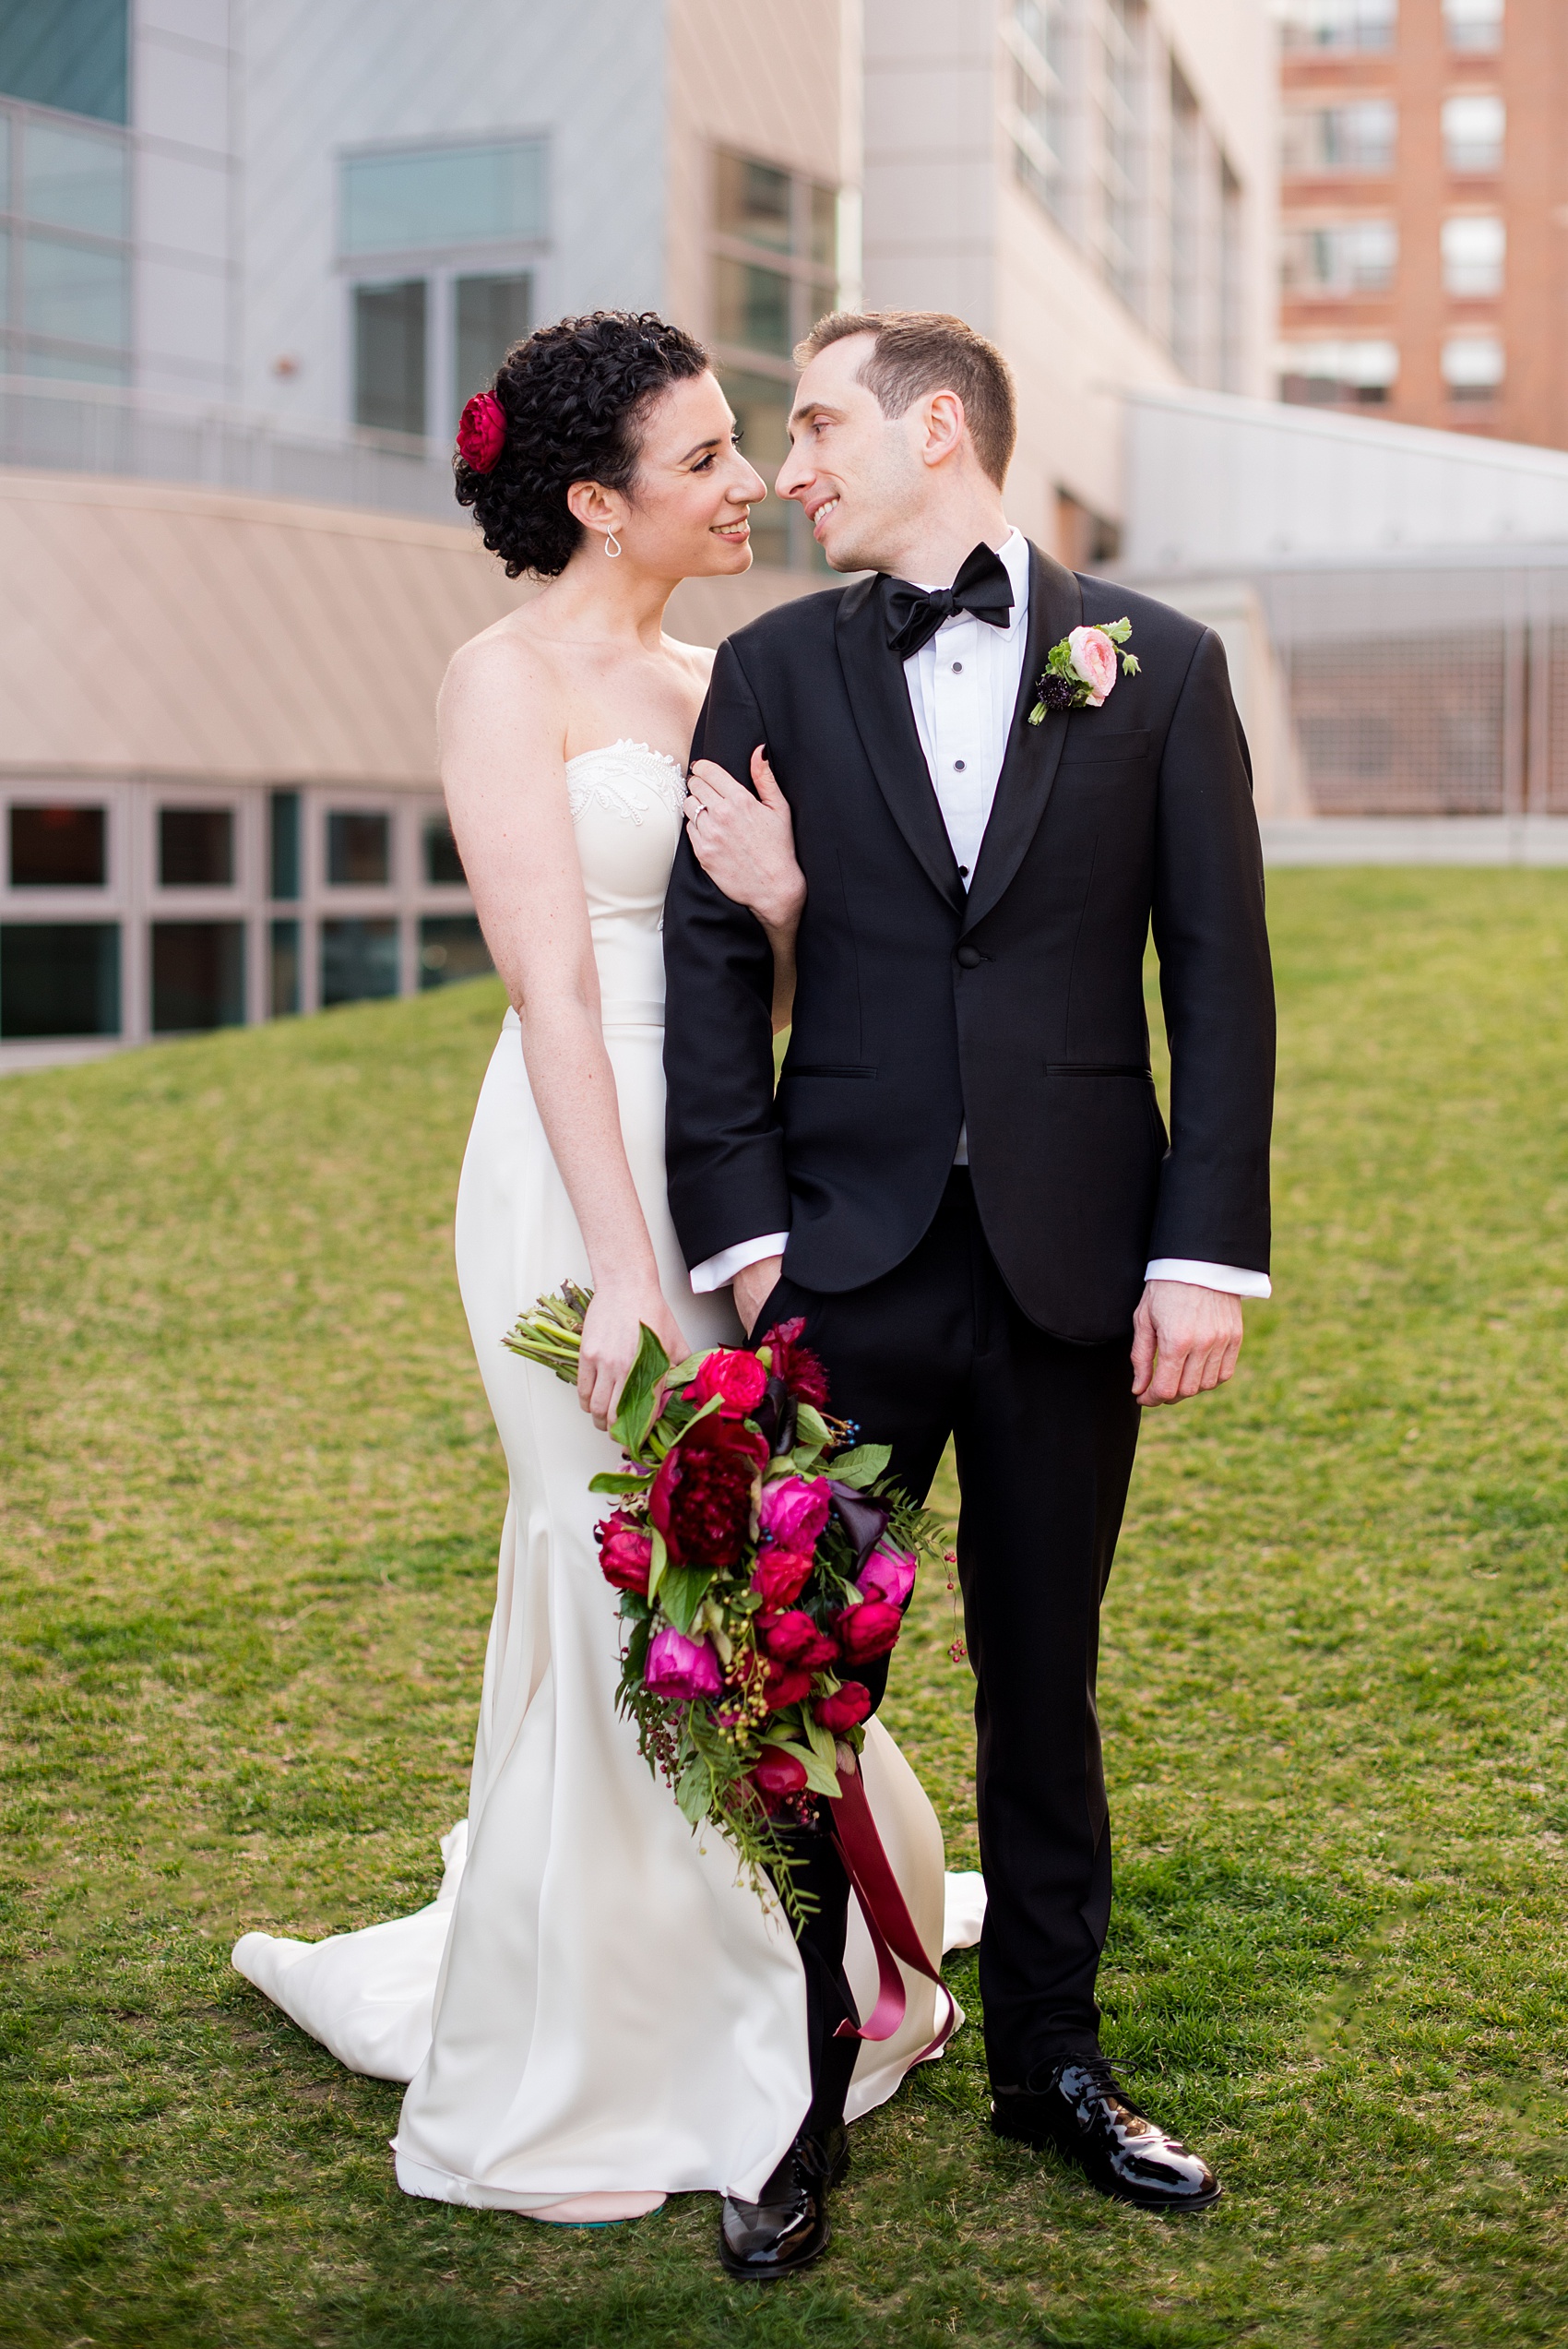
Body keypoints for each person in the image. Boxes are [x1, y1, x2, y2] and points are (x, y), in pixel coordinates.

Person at [232, 312, 970, 2262]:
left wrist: (797, 909)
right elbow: (558, 985)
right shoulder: (504, 682)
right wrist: (626, 1272)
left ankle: (797, 1961)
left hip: (725, 1164)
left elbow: (769, 984)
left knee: (745, 1554)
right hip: (573, 1182)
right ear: (593, 498)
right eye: (710, 457)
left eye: (750, 448)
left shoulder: (727, 679)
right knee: (603, 1545)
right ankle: (608, 2034)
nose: (754, 486)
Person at [665, 309, 1277, 2246]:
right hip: (838, 1273)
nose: (789, 465)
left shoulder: (1158, 667)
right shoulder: (767, 667)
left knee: (1047, 1676)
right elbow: (703, 968)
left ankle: (1055, 2068)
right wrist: (752, 1245)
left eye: (820, 422)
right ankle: (803, 2091)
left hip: (1073, 1272)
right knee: (801, 1690)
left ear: (941, 428)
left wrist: (1203, 1251)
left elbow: (1224, 982)